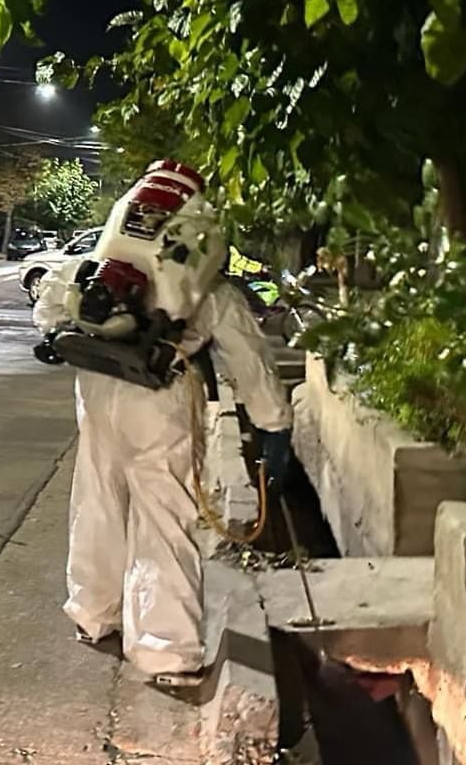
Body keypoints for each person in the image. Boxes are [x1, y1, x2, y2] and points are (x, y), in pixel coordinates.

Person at [31, 183, 292, 686]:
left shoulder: (97, 259)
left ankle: (92, 613)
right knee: (164, 517)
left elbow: (48, 310)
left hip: (98, 387)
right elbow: (250, 362)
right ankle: (165, 651)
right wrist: (274, 424)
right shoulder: (204, 288)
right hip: (160, 393)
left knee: (98, 498)